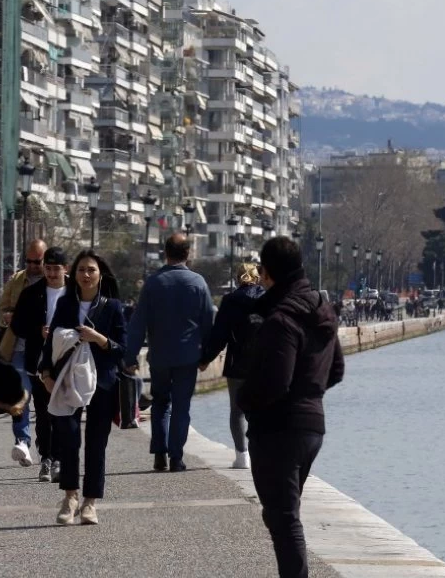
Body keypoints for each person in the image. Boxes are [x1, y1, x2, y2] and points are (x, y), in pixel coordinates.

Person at [237, 237, 344, 578]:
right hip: (313, 426)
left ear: (266, 273)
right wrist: (310, 395)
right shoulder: (321, 311)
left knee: (283, 519)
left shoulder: (279, 320)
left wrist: (245, 402)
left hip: (278, 429)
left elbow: (276, 382)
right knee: (283, 514)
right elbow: (337, 369)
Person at [39, 250, 126, 525]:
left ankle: (90, 502)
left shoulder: (112, 307)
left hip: (103, 382)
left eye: (91, 270)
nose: (86, 275)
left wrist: (99, 338)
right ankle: (70, 497)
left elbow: (122, 350)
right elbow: (50, 341)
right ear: (72, 274)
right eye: (81, 270)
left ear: (100, 275)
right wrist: (45, 373)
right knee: (68, 438)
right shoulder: (65, 305)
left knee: (96, 443)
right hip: (67, 380)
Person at [125, 233, 215, 472]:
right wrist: (207, 355)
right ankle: (177, 456)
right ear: (188, 254)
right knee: (181, 406)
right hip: (187, 356)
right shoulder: (198, 283)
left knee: (161, 403)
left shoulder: (153, 283)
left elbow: (138, 322)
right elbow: (208, 321)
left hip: (160, 356)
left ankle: (159, 453)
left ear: (166, 252)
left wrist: (130, 356)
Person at [8, 246, 70, 482]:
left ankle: (60, 458)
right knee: (43, 413)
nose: (52, 274)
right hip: (38, 361)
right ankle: (46, 457)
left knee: (63, 413)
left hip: (67, 361)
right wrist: (38, 331)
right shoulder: (31, 293)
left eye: (57, 269)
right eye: (49, 269)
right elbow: (17, 326)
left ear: (66, 269)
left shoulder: (74, 293)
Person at [198, 263, 264, 470]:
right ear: (258, 278)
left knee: (237, 411)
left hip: (237, 363)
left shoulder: (230, 301)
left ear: (238, 279)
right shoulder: (269, 299)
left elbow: (220, 335)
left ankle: (242, 456)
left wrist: (206, 358)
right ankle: (260, 453)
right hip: (264, 363)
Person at [0, 239, 47, 468]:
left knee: (45, 403)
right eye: (28, 261)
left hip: (46, 351)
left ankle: (47, 451)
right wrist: (7, 316)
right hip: (18, 347)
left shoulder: (56, 281)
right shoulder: (18, 280)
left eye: (37, 261)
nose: (32, 265)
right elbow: (2, 308)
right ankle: (22, 441)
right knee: (21, 397)